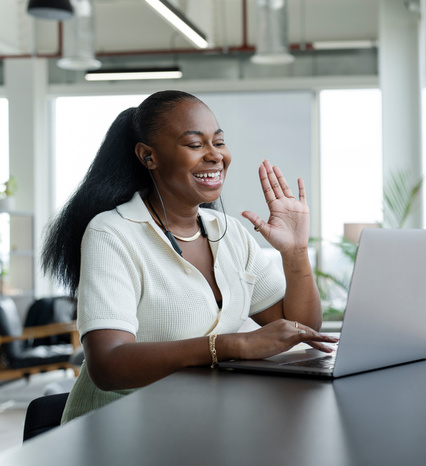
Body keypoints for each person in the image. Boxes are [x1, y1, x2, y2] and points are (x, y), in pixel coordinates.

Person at [42, 90, 337, 423]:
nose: (215, 156)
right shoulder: (113, 232)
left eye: (219, 142)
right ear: (148, 156)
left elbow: (301, 328)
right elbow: (108, 365)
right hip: (117, 429)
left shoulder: (230, 232)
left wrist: (295, 251)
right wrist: (232, 345)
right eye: (195, 145)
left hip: (196, 420)